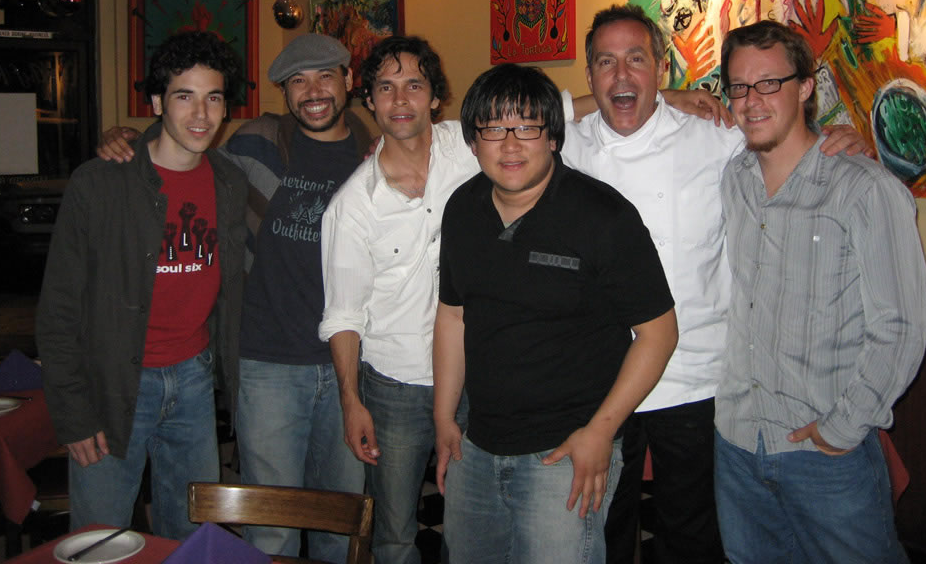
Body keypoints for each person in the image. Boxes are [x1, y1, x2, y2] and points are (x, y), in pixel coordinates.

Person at [560, 4, 868, 564]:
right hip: (599, 378)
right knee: (599, 529)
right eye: (606, 62)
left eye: (636, 60)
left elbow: (786, 143)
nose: (621, 75)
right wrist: (665, 94)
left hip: (696, 379)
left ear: (661, 65)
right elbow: (514, 112)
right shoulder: (567, 144)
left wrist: (840, 140)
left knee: (693, 534)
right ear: (589, 75)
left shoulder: (714, 138)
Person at [95, 34, 372, 562]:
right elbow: (182, 150)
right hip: (266, 364)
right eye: (298, 80)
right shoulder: (254, 143)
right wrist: (129, 138)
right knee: (269, 526)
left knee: (340, 522)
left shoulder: (372, 151)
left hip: (349, 364)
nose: (314, 90)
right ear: (284, 92)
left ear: (348, 80)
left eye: (326, 75)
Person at [433, 64, 678, 564]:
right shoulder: (462, 208)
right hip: (475, 447)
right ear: (473, 141)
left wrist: (600, 432)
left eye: (527, 127)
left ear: (552, 137)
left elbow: (658, 333)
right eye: (493, 129)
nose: (510, 145)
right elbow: (452, 317)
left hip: (566, 453)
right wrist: (443, 417)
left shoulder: (603, 215)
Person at [715, 20, 926, 563]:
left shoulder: (864, 189)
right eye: (738, 86)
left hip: (824, 452)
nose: (751, 100)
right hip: (737, 443)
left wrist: (842, 428)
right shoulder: (732, 178)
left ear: (806, 87)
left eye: (769, 83)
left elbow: (901, 326)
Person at [36, 30, 247, 539]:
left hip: (193, 380)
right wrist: (72, 413)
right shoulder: (100, 182)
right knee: (101, 538)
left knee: (191, 535)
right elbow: (58, 309)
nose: (201, 114)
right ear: (156, 103)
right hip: (112, 384)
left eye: (214, 98)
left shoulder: (229, 181)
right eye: (184, 96)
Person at [319, 35, 477, 564]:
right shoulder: (352, 206)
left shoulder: (469, 147)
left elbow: (550, 112)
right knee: (393, 532)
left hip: (477, 373)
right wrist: (351, 401)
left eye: (414, 84)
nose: (401, 99)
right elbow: (343, 315)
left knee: (474, 520)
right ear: (369, 100)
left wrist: (671, 98)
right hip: (395, 385)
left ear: (435, 96)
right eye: (386, 88)